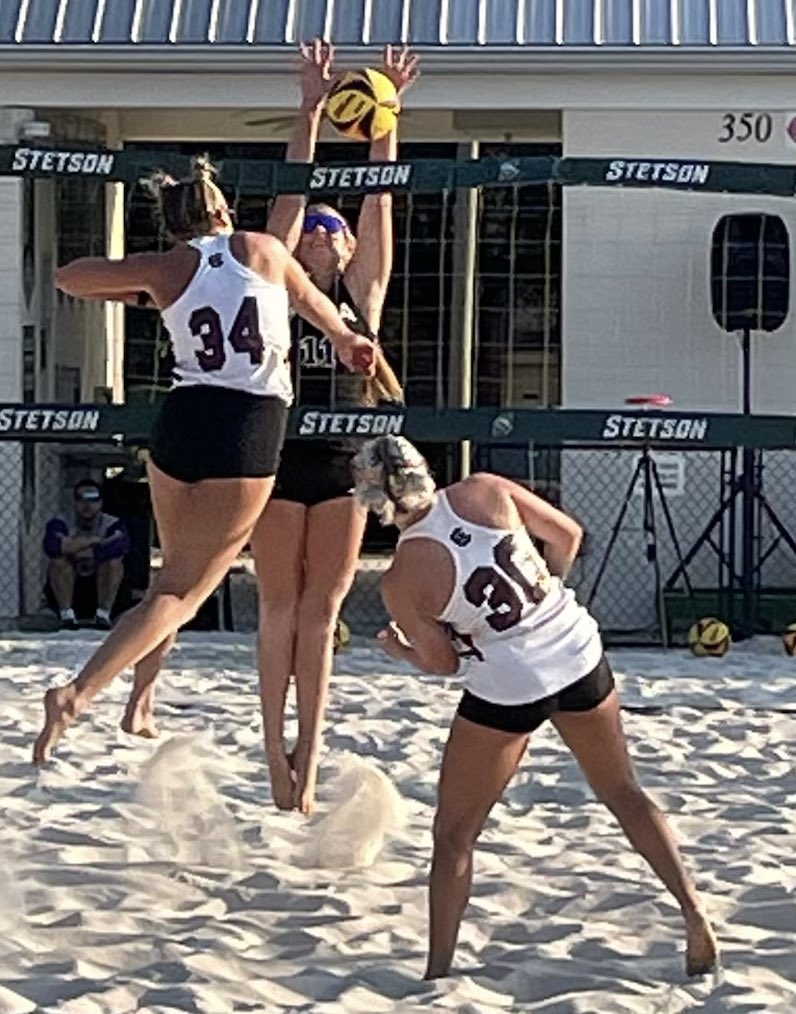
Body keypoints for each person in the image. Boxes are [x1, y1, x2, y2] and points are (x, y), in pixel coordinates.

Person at [32, 157, 375, 763]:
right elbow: (310, 300)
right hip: (245, 425)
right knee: (184, 592)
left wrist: (141, 288)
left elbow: (68, 278)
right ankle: (77, 694)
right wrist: (347, 339)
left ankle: (142, 702)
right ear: (222, 211)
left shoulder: (167, 267)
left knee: (170, 578)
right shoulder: (263, 248)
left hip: (182, 420)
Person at [352, 435, 719, 981]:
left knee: (454, 835)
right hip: (574, 649)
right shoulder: (485, 489)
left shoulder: (402, 578)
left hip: (509, 682)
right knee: (625, 792)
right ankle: (693, 910)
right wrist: (546, 597)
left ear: (375, 502)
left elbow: (444, 663)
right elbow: (568, 536)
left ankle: (437, 971)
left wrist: (399, 650)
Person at [248, 40, 419, 814]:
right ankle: (273, 755)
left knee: (320, 616)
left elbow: (379, 202)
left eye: (333, 229)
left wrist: (388, 121)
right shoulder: (277, 289)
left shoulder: (363, 295)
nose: (321, 233)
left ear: (348, 248)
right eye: (312, 229)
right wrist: (309, 109)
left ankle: (308, 761)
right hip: (279, 452)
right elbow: (287, 204)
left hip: (347, 461)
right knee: (278, 609)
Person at [43, 477, 130, 630]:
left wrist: (74, 547)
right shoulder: (60, 522)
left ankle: (103, 615)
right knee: (59, 562)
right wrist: (94, 541)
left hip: (102, 586)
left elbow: (118, 548)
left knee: (113, 563)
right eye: (81, 499)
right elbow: (52, 547)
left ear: (101, 503)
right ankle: (67, 616)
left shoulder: (113, 524)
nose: (87, 505)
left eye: (93, 499)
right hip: (71, 586)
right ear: (75, 502)